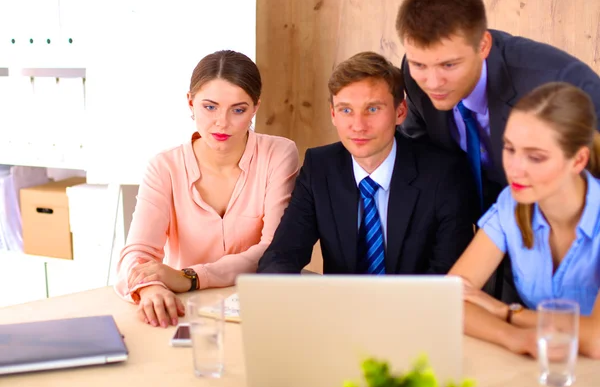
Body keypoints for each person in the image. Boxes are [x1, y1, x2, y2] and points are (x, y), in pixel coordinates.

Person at [395, 0, 600, 298]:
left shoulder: (561, 83)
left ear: (483, 45)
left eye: (449, 65)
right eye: (419, 65)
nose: (433, 82)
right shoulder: (416, 75)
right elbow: (425, 160)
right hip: (497, 226)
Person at [115, 50, 299, 328]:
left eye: (238, 109)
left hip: (258, 309)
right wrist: (151, 287)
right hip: (186, 314)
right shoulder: (164, 166)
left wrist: (190, 277)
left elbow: (274, 250)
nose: (222, 122)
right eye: (209, 107)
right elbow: (136, 254)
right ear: (190, 102)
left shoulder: (278, 153)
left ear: (255, 107)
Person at [258, 51, 476, 275]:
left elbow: (448, 276)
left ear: (400, 112)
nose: (358, 125)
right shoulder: (320, 168)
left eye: (372, 109)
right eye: (346, 110)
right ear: (333, 114)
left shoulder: (443, 174)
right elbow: (281, 255)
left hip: (416, 308)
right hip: (341, 308)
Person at [448, 82, 600, 359]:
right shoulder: (512, 202)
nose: (515, 169)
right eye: (510, 149)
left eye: (536, 157)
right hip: (543, 365)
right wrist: (515, 338)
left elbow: (596, 340)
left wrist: (506, 313)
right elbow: (451, 298)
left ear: (578, 160)